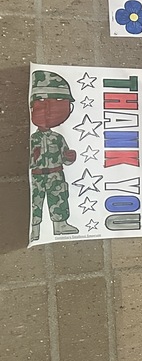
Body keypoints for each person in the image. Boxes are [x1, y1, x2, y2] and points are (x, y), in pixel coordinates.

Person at [29, 70, 79, 241]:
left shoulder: (57, 138)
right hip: (36, 176)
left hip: (56, 173)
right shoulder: (32, 138)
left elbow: (65, 156)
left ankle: (61, 225)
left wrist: (69, 157)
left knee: (58, 197)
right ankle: (34, 228)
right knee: (34, 201)